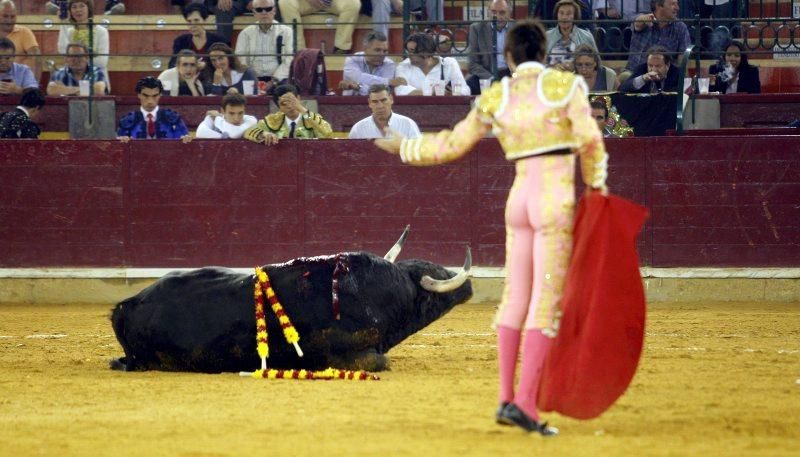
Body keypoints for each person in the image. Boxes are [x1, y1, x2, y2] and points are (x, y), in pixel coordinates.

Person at [375, 19, 607, 435]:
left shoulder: (497, 95)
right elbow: (591, 144)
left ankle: (505, 397)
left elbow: (453, 144)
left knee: (515, 296)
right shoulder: (566, 87)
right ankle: (526, 406)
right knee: (544, 303)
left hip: (518, 200)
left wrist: (405, 147)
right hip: (553, 198)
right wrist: (599, 192)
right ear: (545, 51)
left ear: (508, 56)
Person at [234, 0, 294, 92]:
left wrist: (273, 81)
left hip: (279, 79)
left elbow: (288, 60)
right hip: (251, 78)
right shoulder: (245, 33)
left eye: (268, 9)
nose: (264, 13)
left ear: (274, 11)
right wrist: (254, 79)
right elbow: (241, 60)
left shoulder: (286, 31)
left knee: (285, 91)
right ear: (254, 13)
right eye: (259, 10)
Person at [623, 0, 690, 80]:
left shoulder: (680, 27)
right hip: (637, 74)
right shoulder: (644, 20)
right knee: (625, 77)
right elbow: (637, 24)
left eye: (677, 4)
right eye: (673, 4)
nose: (677, 8)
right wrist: (643, 20)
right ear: (659, 6)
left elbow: (682, 57)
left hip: (665, 77)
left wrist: (682, 77)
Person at [244, 83, 332, 140]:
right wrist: (263, 133)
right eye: (284, 103)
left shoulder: (308, 117)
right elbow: (248, 132)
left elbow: (327, 133)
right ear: (279, 107)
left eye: (292, 101)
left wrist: (301, 109)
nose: (289, 106)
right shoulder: (273, 120)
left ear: (298, 98)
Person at [116, 76, 191, 142]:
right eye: (146, 95)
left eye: (154, 96)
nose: (150, 101)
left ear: (160, 95)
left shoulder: (174, 118)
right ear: (139, 95)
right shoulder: (127, 121)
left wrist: (184, 139)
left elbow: (182, 142)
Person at [394, 33, 471, 96]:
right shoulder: (403, 66)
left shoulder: (448, 63)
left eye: (412, 51)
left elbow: (465, 90)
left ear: (426, 52)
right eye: (408, 51)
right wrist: (431, 92)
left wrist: (452, 93)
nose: (409, 55)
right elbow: (400, 91)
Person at [57, 0, 110, 88]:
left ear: (89, 8)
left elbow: (102, 62)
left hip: (97, 81)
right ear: (69, 11)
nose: (78, 10)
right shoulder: (69, 31)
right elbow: (63, 51)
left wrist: (75, 61)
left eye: (82, 6)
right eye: (74, 7)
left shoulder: (101, 31)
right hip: (72, 82)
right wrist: (63, 22)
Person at [466, 0, 513, 95]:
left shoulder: (518, 28)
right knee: (468, 85)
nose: (497, 17)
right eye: (494, 12)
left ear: (509, 13)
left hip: (510, 74)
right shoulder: (477, 28)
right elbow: (472, 64)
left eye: (502, 12)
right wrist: (491, 79)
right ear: (488, 11)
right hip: (486, 74)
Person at [277, 0, 361, 53]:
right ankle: (298, 50)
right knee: (285, 2)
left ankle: (341, 48)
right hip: (306, 2)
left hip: (333, 2)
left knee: (354, 3)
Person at [340, 31, 403, 96]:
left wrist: (359, 87)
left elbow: (382, 92)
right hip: (351, 103)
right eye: (377, 50)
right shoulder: (352, 60)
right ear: (365, 49)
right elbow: (359, 77)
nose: (382, 54)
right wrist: (388, 81)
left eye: (385, 51)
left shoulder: (389, 64)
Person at [348, 84, 421, 139]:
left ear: (391, 99)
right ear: (369, 103)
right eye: (375, 102)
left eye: (384, 100)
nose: (380, 106)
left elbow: (418, 152)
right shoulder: (358, 129)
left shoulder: (408, 124)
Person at [169, 3, 227, 68]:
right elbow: (172, 65)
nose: (193, 25)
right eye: (189, 21)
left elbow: (226, 64)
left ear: (205, 20)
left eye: (196, 20)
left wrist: (206, 66)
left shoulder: (218, 40)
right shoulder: (180, 41)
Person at [544, 0, 597, 68]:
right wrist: (553, 67)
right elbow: (539, 65)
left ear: (575, 16)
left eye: (568, 14)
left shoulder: (586, 36)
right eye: (561, 13)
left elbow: (597, 65)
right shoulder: (547, 36)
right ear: (557, 15)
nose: (564, 17)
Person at [0, 0, 42, 82]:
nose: (9, 20)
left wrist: (32, 87)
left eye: (12, 16)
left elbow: (36, 58)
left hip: (18, 82)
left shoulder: (24, 32)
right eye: (5, 16)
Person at [192, 93, 260, 139]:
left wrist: (218, 118)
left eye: (240, 113)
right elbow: (200, 133)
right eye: (231, 113)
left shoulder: (251, 120)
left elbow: (234, 134)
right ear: (223, 111)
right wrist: (223, 136)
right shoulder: (212, 118)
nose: (236, 118)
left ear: (244, 111)